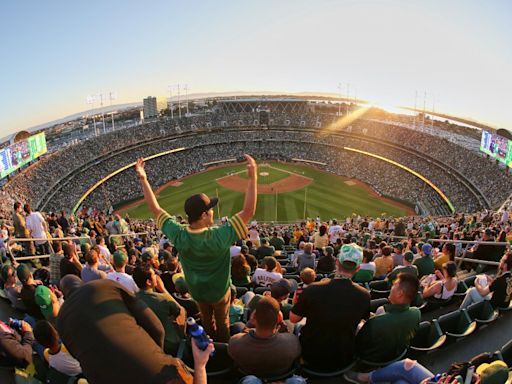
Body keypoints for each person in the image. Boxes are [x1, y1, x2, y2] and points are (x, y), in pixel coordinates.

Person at [136, 154, 257, 343]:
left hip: (197, 291)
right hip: (219, 291)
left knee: (207, 321)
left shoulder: (179, 234)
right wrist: (253, 177)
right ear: (203, 215)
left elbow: (155, 209)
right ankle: (222, 347)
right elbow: (248, 211)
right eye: (210, 209)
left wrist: (143, 179)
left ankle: (207, 341)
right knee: (222, 321)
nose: (212, 211)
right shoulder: (220, 235)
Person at [57, 275, 211, 384]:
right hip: (159, 372)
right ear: (82, 282)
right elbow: (157, 328)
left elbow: (83, 358)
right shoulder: (105, 285)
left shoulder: (61, 321)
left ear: (64, 294)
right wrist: (154, 355)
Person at [290, 244, 370, 370]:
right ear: (358, 268)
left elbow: (293, 319)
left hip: (311, 355)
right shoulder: (364, 295)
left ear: (337, 262)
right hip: (342, 357)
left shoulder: (313, 289)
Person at [228, 296, 301, 378]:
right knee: (290, 323)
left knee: (238, 325)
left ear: (254, 317)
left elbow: (241, 337)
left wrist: (249, 324)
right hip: (282, 377)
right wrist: (282, 324)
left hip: (250, 378)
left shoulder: (235, 343)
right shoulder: (293, 343)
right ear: (279, 318)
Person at [356, 273, 421, 362]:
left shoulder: (375, 322)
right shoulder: (416, 313)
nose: (391, 287)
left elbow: (359, 344)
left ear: (400, 293)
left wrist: (362, 323)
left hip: (371, 362)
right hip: (395, 356)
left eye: (394, 285)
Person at [133, 265, 185, 356]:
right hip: (168, 343)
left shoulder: (133, 298)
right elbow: (179, 310)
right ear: (149, 282)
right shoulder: (163, 299)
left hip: (147, 341)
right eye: (154, 275)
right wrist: (163, 289)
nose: (156, 277)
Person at [0, 318, 34, 384]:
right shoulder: (2, 339)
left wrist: (9, 324)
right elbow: (25, 357)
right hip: (21, 365)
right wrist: (28, 333)